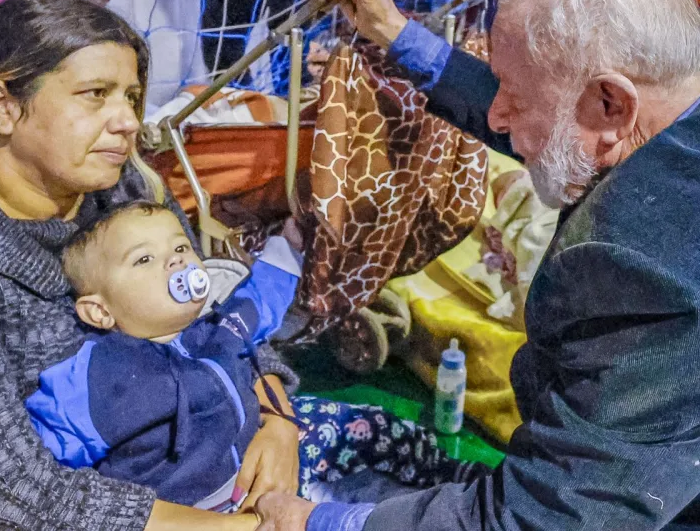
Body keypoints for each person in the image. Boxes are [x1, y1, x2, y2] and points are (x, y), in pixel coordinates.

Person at [254, 0, 700, 529]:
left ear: (612, 103)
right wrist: (394, 32)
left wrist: (317, 522)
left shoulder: (672, 288)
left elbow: (543, 518)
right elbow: (564, 117)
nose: (497, 116)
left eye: (513, 98)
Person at [0, 0, 299, 530]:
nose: (127, 121)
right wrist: (248, 527)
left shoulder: (125, 189)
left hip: (169, 459)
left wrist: (277, 421)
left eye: (131, 97)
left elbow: (209, 311)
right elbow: (1, 493)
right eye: (96, 94)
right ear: (3, 106)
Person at [24, 201, 477, 513]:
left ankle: (460, 478)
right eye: (144, 260)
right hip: (206, 514)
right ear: (99, 311)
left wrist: (290, 244)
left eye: (180, 248)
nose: (175, 262)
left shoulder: (216, 330)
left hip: (263, 457)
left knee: (374, 424)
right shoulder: (92, 381)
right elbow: (38, 468)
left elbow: (261, 298)